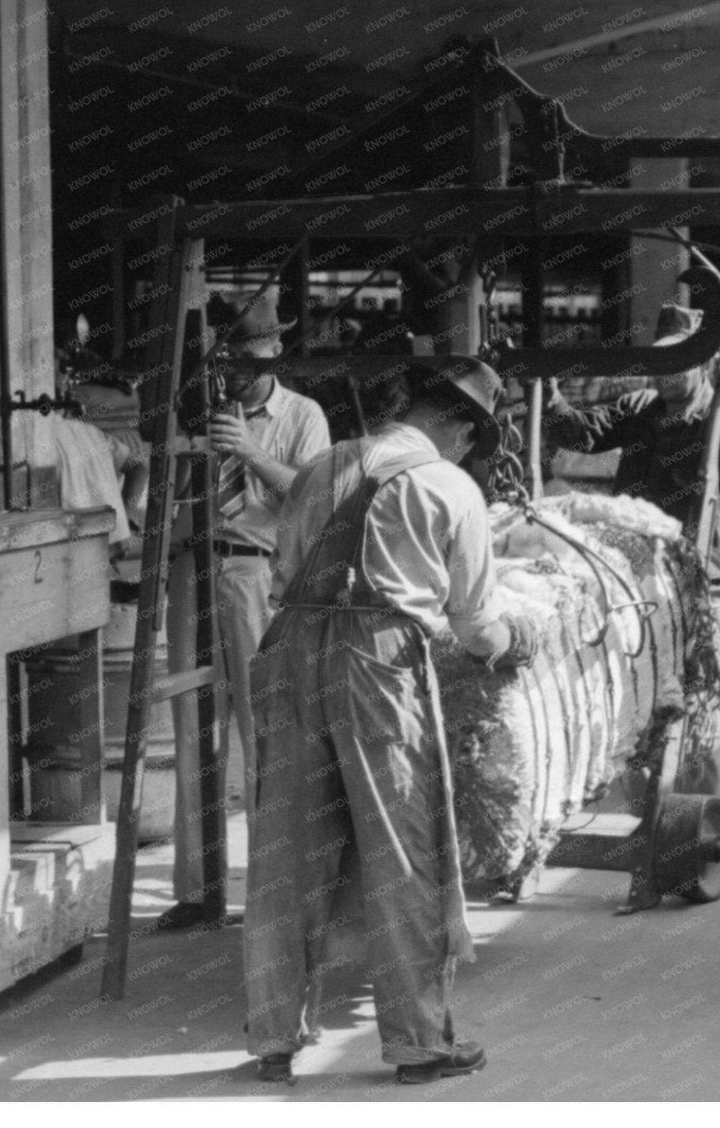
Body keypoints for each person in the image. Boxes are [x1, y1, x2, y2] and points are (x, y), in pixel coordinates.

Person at [243, 357, 538, 1086]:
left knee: (287, 849)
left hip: (288, 648)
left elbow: (282, 567)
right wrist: (522, 640)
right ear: (463, 428)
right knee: (401, 845)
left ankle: (274, 1039)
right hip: (378, 660)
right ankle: (418, 1042)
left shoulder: (318, 466)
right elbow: (476, 628)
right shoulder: (450, 486)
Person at [159, 289, 331, 931]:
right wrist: (185, 447)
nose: (240, 375)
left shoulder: (303, 415)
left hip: (258, 573)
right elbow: (161, 492)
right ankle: (198, 891)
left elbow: (319, 495)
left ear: (275, 354)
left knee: (266, 732)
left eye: (253, 362)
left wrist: (252, 454)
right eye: (231, 362)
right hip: (194, 566)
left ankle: (273, 891)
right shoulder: (198, 409)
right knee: (191, 729)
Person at [542, 303, 720, 556]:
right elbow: (580, 434)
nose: (666, 372)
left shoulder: (718, 414)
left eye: (677, 362)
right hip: (636, 552)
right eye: (660, 361)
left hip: (698, 561)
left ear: (704, 365)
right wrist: (553, 401)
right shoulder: (638, 406)